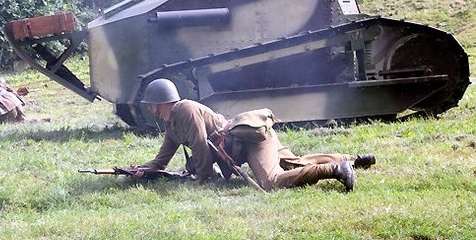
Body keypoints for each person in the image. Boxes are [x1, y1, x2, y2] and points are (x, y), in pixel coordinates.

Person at [135, 79, 376, 192]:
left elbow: (199, 146)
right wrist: (140, 170)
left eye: (151, 105)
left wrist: (204, 179)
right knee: (295, 163)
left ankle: (336, 169)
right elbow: (161, 160)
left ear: (162, 102)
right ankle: (355, 159)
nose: (150, 110)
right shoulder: (172, 124)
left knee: (271, 181)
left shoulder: (185, 109)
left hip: (250, 141)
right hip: (249, 137)